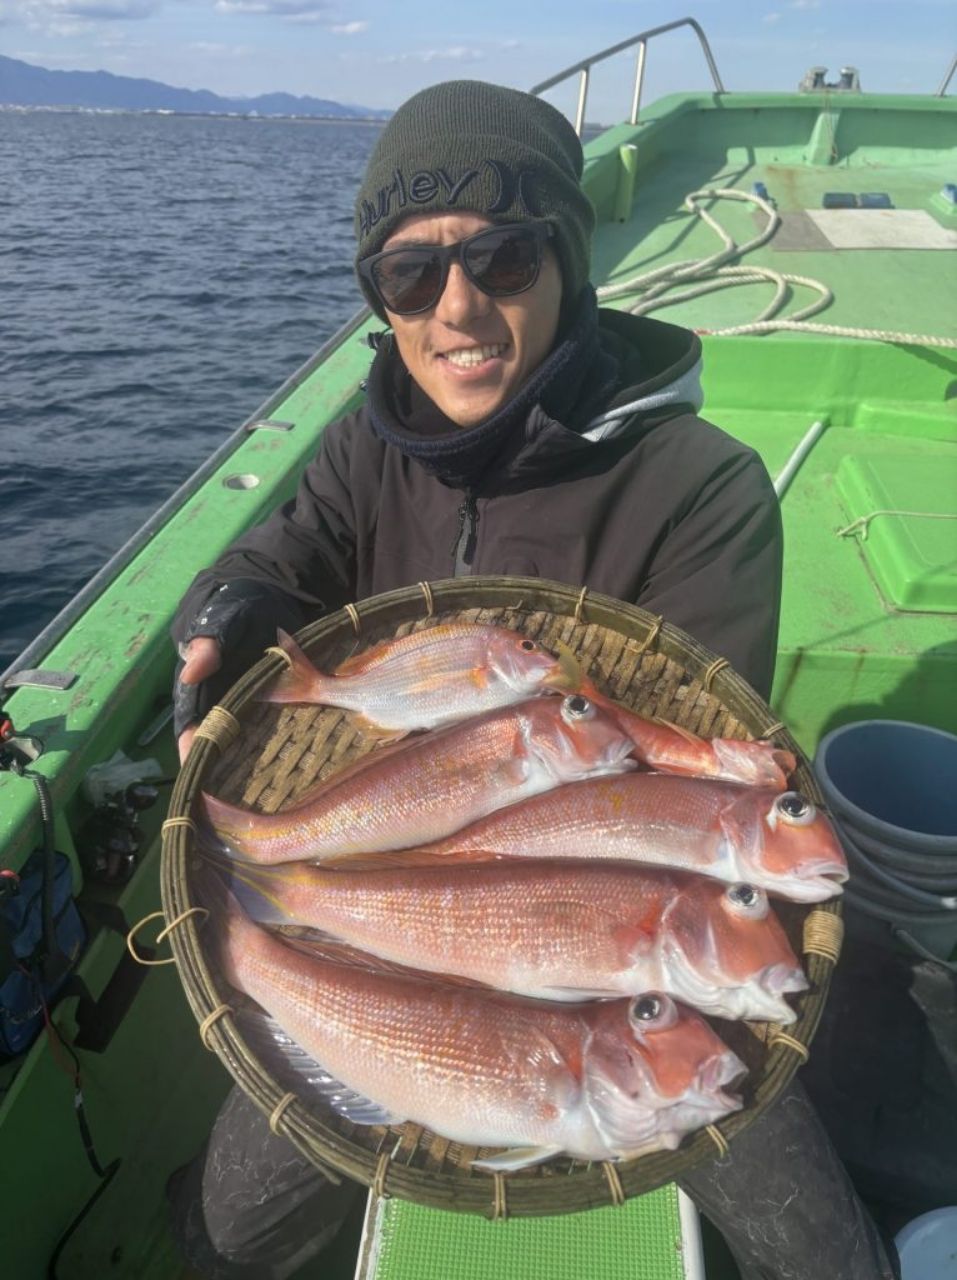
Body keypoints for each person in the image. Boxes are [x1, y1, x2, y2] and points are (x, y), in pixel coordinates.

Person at [168, 81, 899, 1280]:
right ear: (383, 298)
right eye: (410, 275)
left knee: (823, 1250)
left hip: (622, 973)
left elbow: (668, 799)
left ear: (565, 260)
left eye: (501, 259)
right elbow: (288, 547)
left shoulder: (699, 487)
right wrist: (232, 607)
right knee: (230, 1222)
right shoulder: (371, 436)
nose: (457, 307)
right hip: (389, 944)